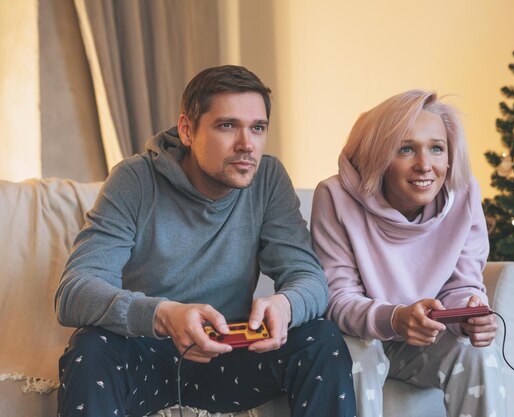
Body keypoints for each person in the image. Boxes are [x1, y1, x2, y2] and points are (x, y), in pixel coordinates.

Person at [54, 65, 356, 417]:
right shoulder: (135, 179)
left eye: (257, 128)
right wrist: (164, 315)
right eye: (227, 126)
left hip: (231, 355)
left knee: (321, 339)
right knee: (90, 348)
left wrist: (285, 306)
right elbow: (73, 291)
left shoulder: (268, 180)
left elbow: (311, 279)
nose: (247, 145)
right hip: (145, 353)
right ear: (186, 129)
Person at [310, 89, 506, 417]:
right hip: (360, 336)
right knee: (357, 354)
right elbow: (337, 300)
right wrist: (395, 318)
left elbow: (463, 284)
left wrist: (468, 315)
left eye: (436, 149)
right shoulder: (334, 197)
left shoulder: (465, 195)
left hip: (424, 341)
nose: (425, 165)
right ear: (379, 155)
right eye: (406, 149)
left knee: (477, 353)